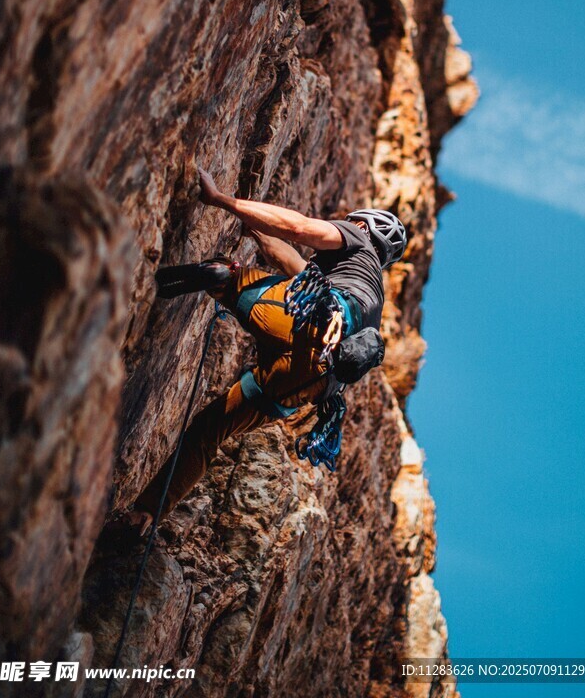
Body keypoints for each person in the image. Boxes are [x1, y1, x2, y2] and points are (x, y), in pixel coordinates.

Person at [128, 168, 407, 534]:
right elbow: (292, 264)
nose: (345, 223)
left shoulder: (357, 242)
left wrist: (221, 200)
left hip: (306, 319)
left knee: (227, 277)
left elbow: (299, 228)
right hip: (310, 381)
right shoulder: (369, 298)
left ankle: (177, 279)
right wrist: (256, 228)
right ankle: (146, 517)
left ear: (365, 228)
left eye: (352, 221)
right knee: (210, 429)